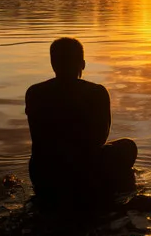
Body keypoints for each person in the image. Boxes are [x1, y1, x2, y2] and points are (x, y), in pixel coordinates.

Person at [25, 37, 137, 211]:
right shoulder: (97, 92)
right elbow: (101, 138)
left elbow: (37, 137)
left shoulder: (34, 93)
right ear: (83, 64)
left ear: (53, 64)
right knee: (129, 146)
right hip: (85, 172)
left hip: (42, 173)